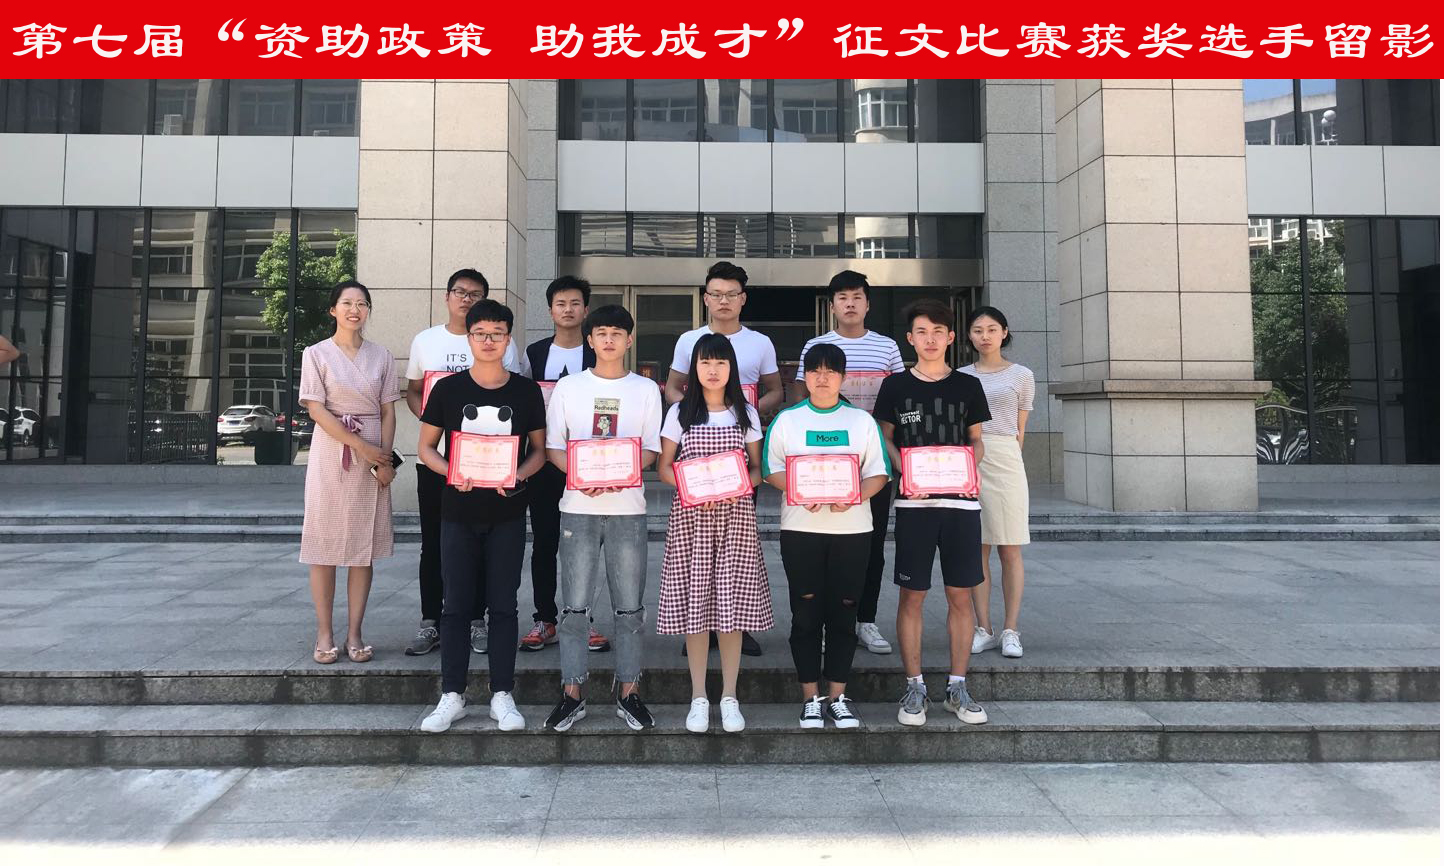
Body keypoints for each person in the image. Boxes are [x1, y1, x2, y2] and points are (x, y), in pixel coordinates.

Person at [416, 300, 544, 733]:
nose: (489, 341)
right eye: (481, 333)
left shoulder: (525, 392)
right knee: (455, 605)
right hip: (457, 511)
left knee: (503, 605)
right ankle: (451, 695)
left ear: (508, 339)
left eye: (497, 333)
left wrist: (519, 475)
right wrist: (451, 471)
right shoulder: (448, 390)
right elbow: (426, 448)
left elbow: (539, 451)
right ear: (469, 338)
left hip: (507, 511)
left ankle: (502, 694)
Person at [542, 304, 664, 732]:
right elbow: (554, 448)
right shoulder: (569, 387)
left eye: (617, 333)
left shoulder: (645, 390)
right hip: (578, 507)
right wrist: (582, 476)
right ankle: (572, 694)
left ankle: (629, 693)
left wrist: (618, 476)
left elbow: (651, 449)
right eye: (601, 333)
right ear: (590, 340)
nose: (609, 339)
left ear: (629, 340)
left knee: (629, 609)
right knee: (574, 608)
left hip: (628, 508)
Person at [873, 299, 991, 727]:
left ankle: (957, 686)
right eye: (922, 332)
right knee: (913, 595)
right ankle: (915, 686)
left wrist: (967, 466)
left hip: (961, 505)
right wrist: (903, 466)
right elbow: (885, 436)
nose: (930, 339)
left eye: (938, 332)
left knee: (961, 595)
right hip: (914, 505)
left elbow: (976, 440)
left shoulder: (967, 386)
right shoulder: (895, 386)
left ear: (951, 337)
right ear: (910, 338)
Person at [763, 343, 890, 730]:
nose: (822, 378)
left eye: (830, 371)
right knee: (805, 615)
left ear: (842, 377)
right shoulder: (788, 420)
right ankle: (810, 698)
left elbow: (879, 473)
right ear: (806, 377)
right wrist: (800, 490)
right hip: (801, 530)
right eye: (815, 371)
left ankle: (838, 696)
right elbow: (770, 469)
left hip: (852, 531)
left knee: (844, 613)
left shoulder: (861, 421)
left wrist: (853, 496)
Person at [402, 269, 524, 658]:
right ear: (447, 296)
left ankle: (476, 620)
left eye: (475, 294)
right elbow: (415, 390)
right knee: (434, 543)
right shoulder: (426, 341)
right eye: (460, 292)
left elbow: (515, 394)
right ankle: (431, 620)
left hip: (491, 468)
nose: (466, 298)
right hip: (439, 462)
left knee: (485, 543)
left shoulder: (503, 343)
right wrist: (433, 423)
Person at [664, 260, 782, 657]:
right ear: (705, 298)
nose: (724, 300)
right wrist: (696, 411)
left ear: (743, 299)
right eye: (716, 294)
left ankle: (738, 628)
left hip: (738, 458)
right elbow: (672, 387)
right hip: (697, 457)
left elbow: (775, 390)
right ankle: (699, 628)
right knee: (696, 557)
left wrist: (741, 413)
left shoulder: (760, 343)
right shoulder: (689, 340)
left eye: (732, 294)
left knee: (737, 554)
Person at [657, 334, 772, 734]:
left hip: (735, 520)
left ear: (731, 369)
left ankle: (729, 696)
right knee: (696, 609)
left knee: (731, 610)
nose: (712, 370)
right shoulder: (679, 412)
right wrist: (696, 491)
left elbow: (758, 469)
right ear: (694, 368)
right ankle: (698, 697)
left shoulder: (746, 413)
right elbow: (664, 467)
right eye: (705, 362)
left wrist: (732, 489)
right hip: (690, 521)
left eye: (720, 363)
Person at [795, 270, 906, 656]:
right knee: (824, 545)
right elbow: (801, 398)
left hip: (873, 459)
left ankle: (865, 620)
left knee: (871, 545)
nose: (850, 304)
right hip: (823, 462)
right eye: (842, 298)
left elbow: (899, 398)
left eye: (857, 297)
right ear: (832, 306)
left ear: (868, 304)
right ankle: (829, 622)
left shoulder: (886, 347)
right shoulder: (816, 346)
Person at [298, 281, 402, 665]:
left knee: (362, 549)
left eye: (362, 303)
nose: (354, 310)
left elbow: (388, 410)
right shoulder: (315, 353)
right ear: (333, 310)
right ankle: (324, 632)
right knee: (323, 546)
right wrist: (360, 447)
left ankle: (355, 632)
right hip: (332, 450)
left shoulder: (382, 356)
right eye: (347, 303)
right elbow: (316, 409)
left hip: (374, 451)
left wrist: (383, 460)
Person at [518, 276, 610, 655]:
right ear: (550, 310)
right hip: (542, 460)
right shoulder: (535, 354)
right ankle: (545, 618)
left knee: (583, 545)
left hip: (588, 464)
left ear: (585, 310)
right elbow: (522, 405)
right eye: (561, 303)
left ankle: (582, 617)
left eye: (575, 303)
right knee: (544, 541)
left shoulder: (598, 353)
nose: (568, 309)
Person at [960, 306, 1035, 660]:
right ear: (969, 336)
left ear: (1004, 332)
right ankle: (984, 628)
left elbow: (1021, 428)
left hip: (1006, 457)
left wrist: (1011, 457)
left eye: (992, 329)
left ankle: (1010, 629)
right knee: (978, 547)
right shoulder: (960, 376)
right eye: (978, 330)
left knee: (1010, 547)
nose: (985, 336)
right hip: (970, 457)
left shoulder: (1022, 375)